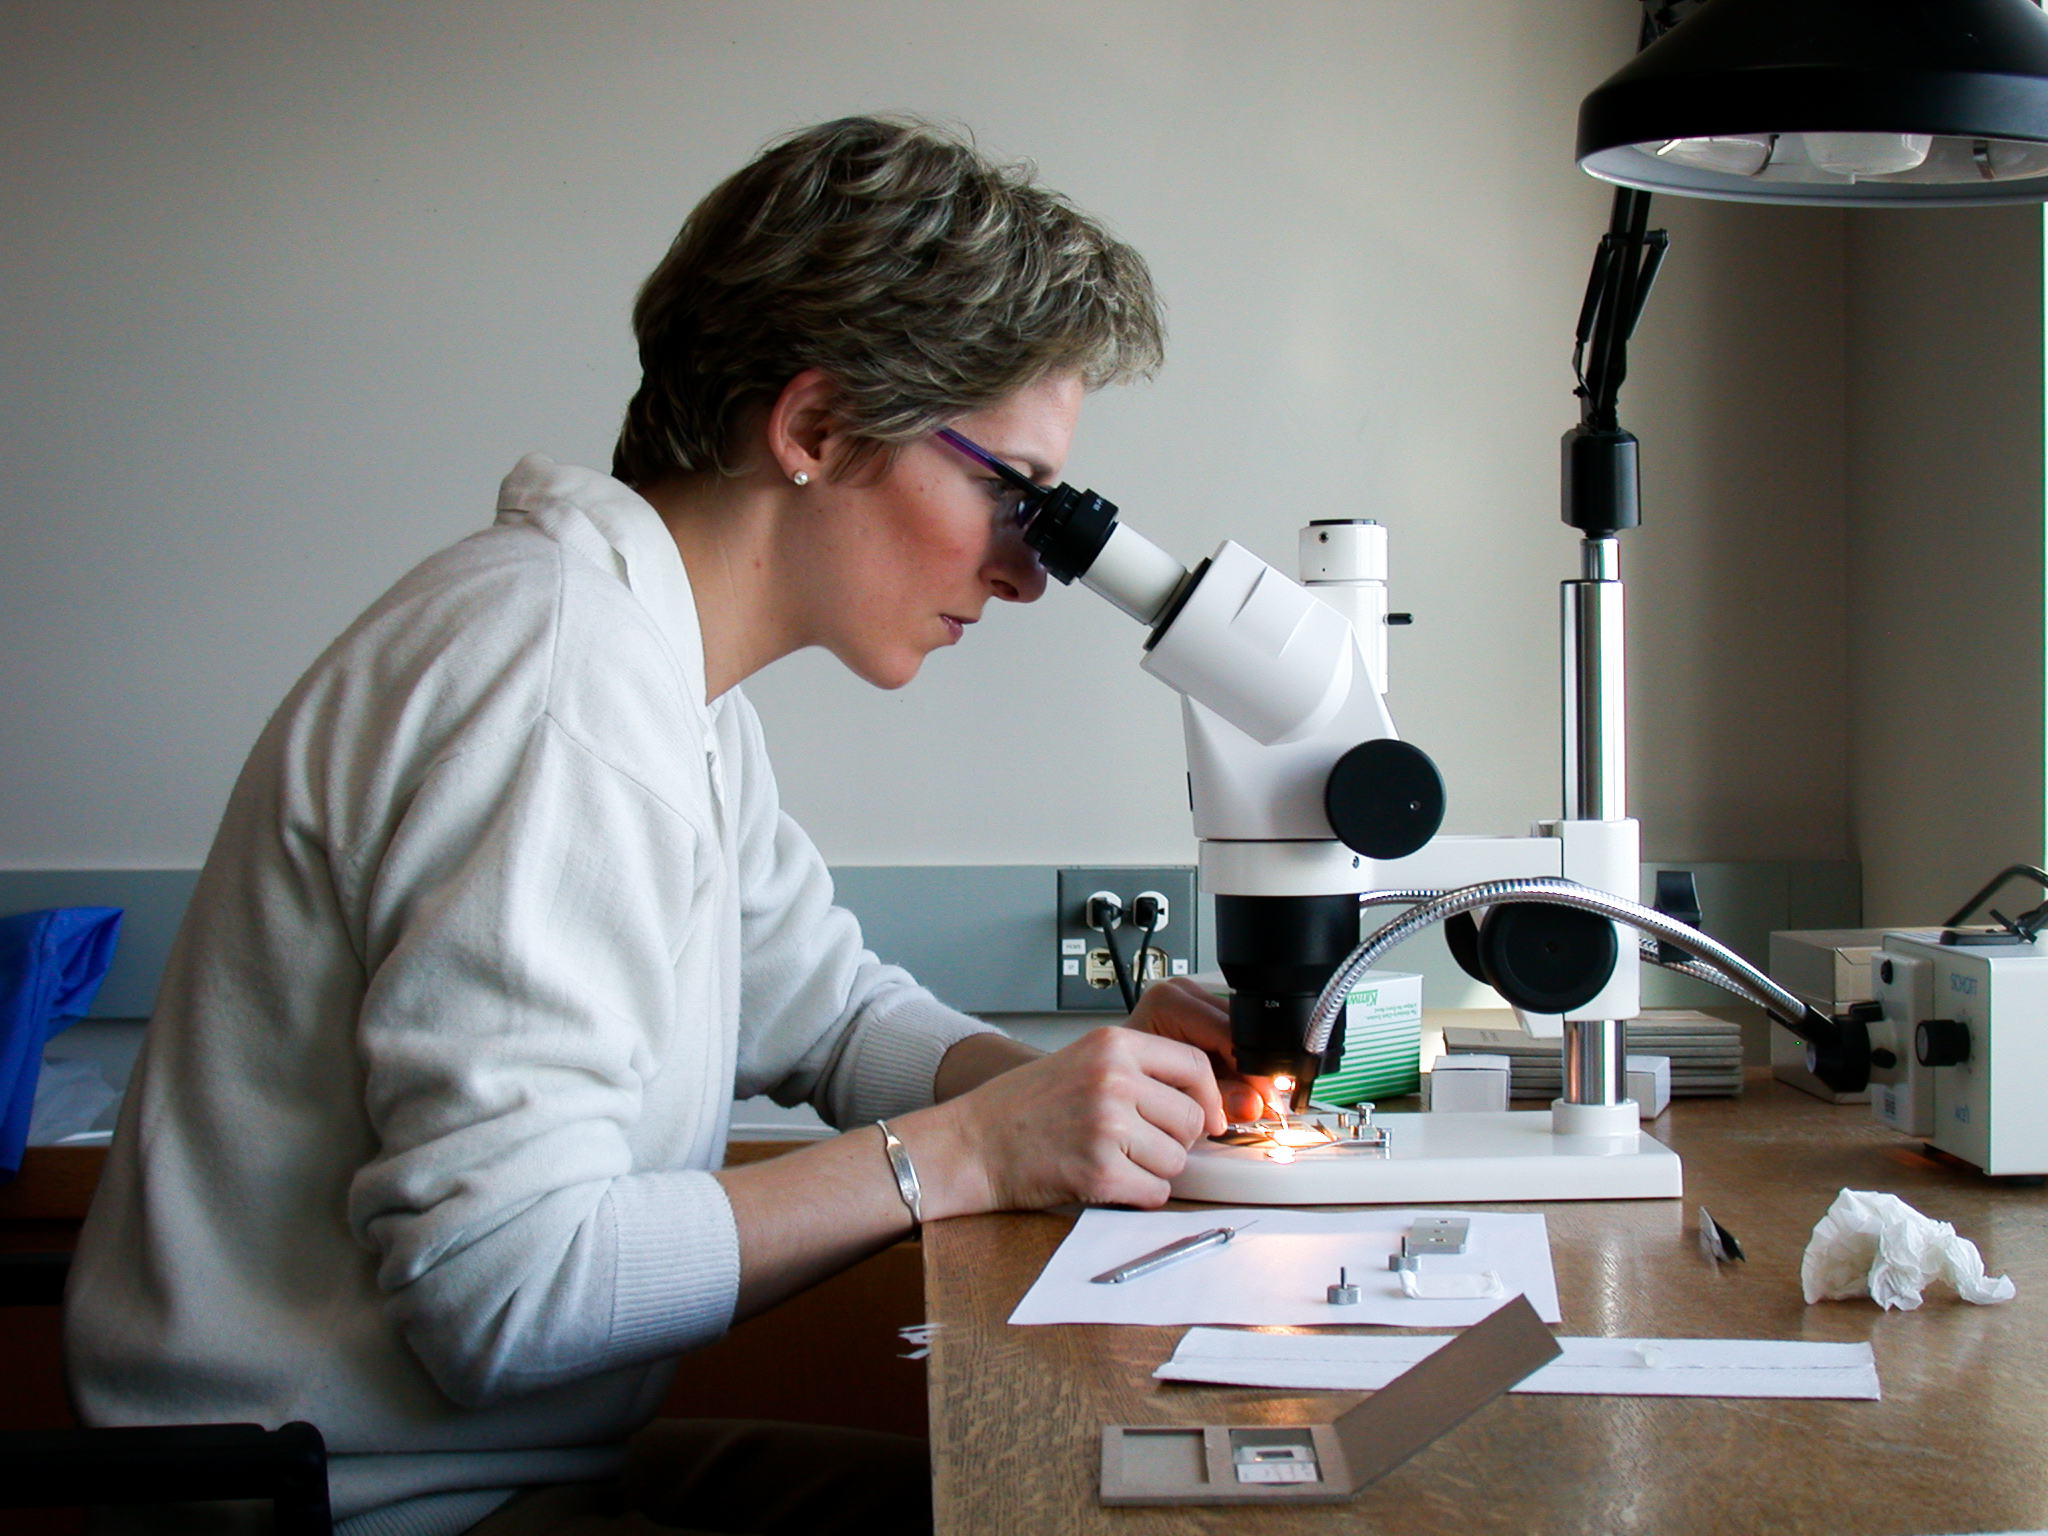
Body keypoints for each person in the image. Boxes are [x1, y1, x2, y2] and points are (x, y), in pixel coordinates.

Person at [66, 116, 1264, 1536]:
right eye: (1013, 495)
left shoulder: (654, 673)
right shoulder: (559, 691)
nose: (1030, 573)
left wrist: (1083, 1105)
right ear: (814, 428)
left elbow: (823, 1017)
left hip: (486, 1471)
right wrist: (977, 1152)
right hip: (353, 1512)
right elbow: (497, 1292)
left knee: (1057, 1502)